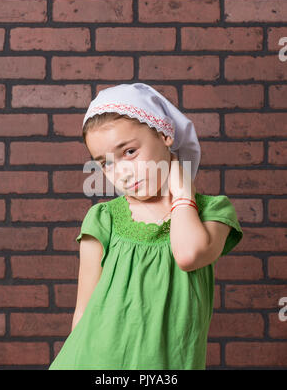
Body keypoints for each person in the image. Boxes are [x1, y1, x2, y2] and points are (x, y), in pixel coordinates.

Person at [49, 83, 243, 370]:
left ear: (165, 134)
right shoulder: (104, 218)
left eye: (129, 151)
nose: (123, 173)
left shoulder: (213, 212)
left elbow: (188, 255)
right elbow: (83, 313)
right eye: (106, 163)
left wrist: (182, 190)